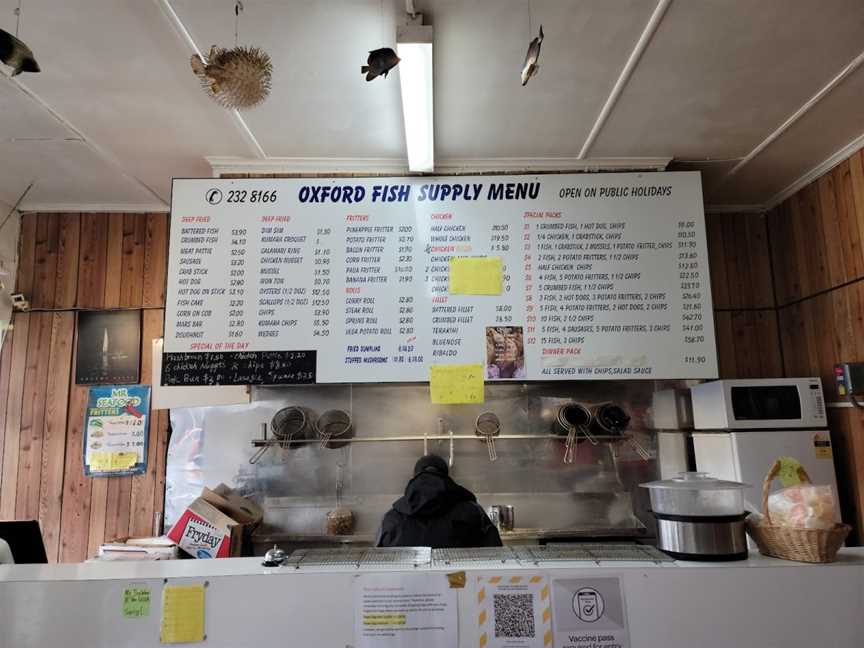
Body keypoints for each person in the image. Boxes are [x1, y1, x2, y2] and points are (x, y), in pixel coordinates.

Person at [376, 455, 502, 548]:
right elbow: (496, 554)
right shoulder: (473, 511)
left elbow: (377, 560)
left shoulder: (391, 516)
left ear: (414, 477)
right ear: (447, 477)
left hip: (406, 583)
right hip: (461, 582)